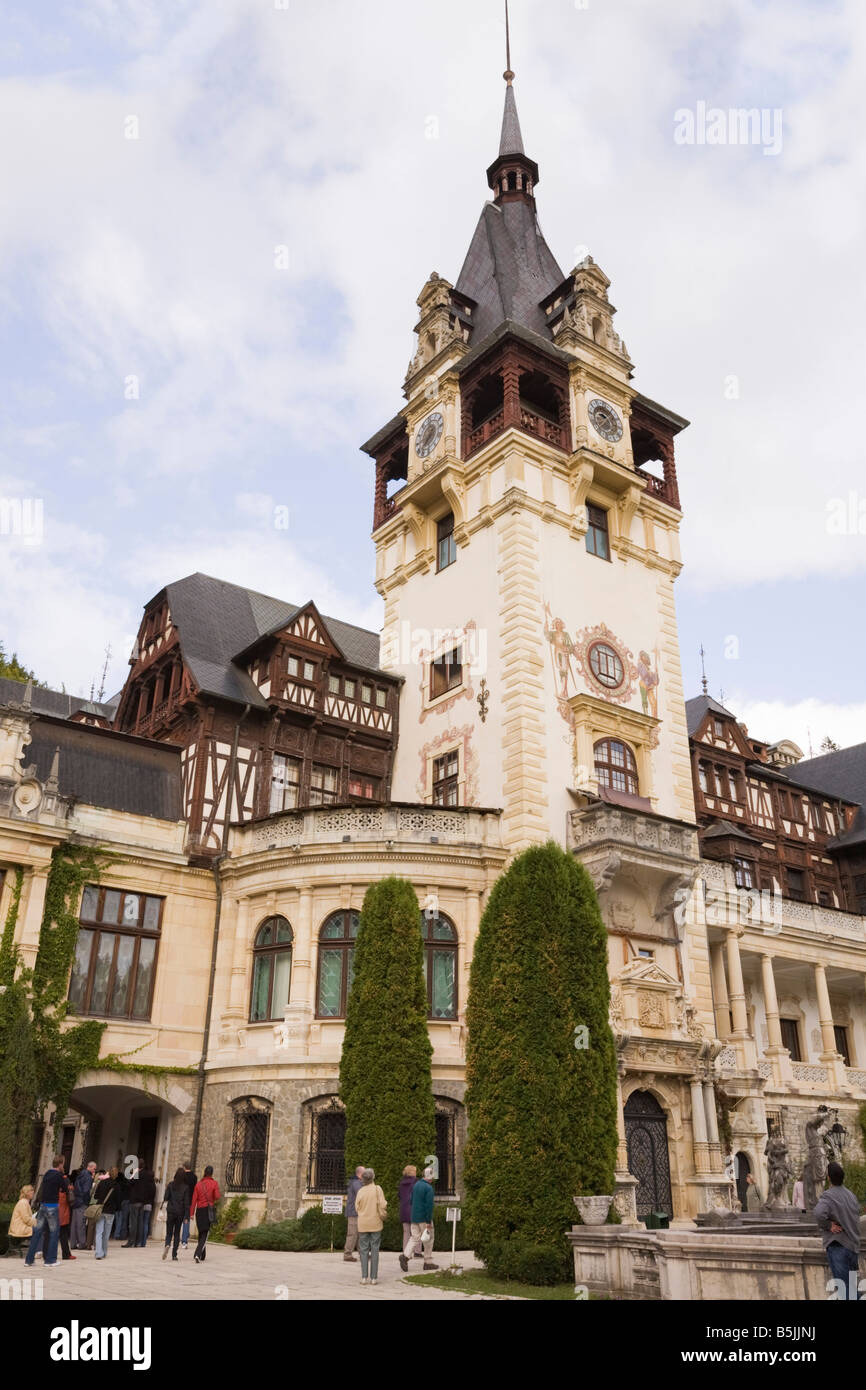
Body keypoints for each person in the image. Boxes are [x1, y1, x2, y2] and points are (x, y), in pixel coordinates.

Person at [814, 1160, 862, 1300]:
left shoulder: (828, 1195)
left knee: (845, 1291)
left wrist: (829, 1226)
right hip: (853, 1247)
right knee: (852, 1288)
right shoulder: (851, 1195)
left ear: (828, 1177)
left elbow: (818, 1213)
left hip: (838, 1247)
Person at [24, 1156, 68, 1268]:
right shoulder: (59, 1175)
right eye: (63, 1164)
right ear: (60, 1164)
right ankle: (50, 1260)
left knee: (37, 1233)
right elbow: (64, 1188)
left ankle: (29, 1260)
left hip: (43, 1206)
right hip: (52, 1206)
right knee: (54, 1233)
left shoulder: (47, 1173)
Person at [399, 1166, 438, 1272]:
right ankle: (428, 1262)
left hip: (414, 1217)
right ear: (431, 1177)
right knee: (429, 1239)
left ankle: (405, 1256)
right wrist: (428, 1221)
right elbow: (429, 1206)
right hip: (423, 1218)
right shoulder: (429, 1188)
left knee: (414, 1238)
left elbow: (411, 1200)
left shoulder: (416, 1185)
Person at [354, 1168, 387, 1286]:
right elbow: (383, 1204)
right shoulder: (378, 1189)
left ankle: (364, 1277)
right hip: (376, 1222)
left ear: (363, 1179)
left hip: (363, 1223)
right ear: (372, 1177)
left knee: (363, 1251)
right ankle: (374, 1278)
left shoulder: (360, 1191)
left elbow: (356, 1207)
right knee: (375, 1250)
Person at [189, 1165, 221, 1263]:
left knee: (201, 1232)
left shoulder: (198, 1184)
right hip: (208, 1210)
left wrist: (191, 1213)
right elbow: (217, 1196)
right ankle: (197, 1254)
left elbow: (194, 1200)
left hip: (199, 1211)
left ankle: (203, 1255)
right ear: (212, 1173)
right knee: (205, 1233)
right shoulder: (214, 1183)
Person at [162, 1168, 190, 1262]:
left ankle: (167, 1244)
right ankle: (174, 1255)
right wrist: (186, 1216)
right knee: (177, 1233)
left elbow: (166, 1198)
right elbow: (186, 1203)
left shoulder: (170, 1185)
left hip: (170, 1211)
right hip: (180, 1213)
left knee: (169, 1232)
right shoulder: (186, 1188)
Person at [124, 1165, 156, 1247]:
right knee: (140, 1222)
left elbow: (128, 1183)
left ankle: (131, 1241)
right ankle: (138, 1241)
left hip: (135, 1200)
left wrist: (133, 1174)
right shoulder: (147, 1176)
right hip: (142, 1202)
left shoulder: (137, 1174)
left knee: (133, 1222)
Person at [93, 1168, 120, 1259]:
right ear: (116, 1175)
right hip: (110, 1211)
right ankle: (104, 1252)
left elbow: (96, 1195)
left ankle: (98, 1253)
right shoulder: (116, 1185)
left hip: (101, 1209)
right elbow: (118, 1200)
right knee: (106, 1233)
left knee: (99, 1232)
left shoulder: (102, 1182)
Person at [70, 1160, 96, 1250]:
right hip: (82, 1202)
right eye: (94, 1169)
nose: (95, 1171)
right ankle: (82, 1243)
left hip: (76, 1201)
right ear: (91, 1167)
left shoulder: (81, 1174)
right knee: (81, 1223)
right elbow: (86, 1191)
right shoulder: (88, 1177)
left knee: (74, 1223)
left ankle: (73, 1243)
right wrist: (86, 1201)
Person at [398, 1165, 423, 1259]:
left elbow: (399, 1196)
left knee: (406, 1232)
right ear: (413, 1172)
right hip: (414, 1209)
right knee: (417, 1231)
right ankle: (417, 1252)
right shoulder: (416, 1182)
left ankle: (406, 1252)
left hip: (404, 1209)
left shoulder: (401, 1183)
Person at [6, 1186, 36, 1257]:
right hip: (19, 1229)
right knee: (39, 1230)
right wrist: (37, 1222)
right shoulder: (23, 1203)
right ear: (27, 1193)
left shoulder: (25, 1202)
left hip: (22, 1227)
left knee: (40, 1229)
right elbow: (26, 1219)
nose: (33, 1192)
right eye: (31, 1191)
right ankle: (37, 1251)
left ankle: (37, 1250)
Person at [343, 1165, 365, 1263]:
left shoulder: (357, 1182)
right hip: (353, 1212)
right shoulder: (356, 1183)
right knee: (352, 1234)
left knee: (360, 1234)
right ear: (360, 1174)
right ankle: (347, 1254)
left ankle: (362, 1254)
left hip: (357, 1212)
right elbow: (361, 1194)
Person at [181, 1162, 197, 1250]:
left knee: (180, 1220)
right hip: (190, 1201)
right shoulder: (194, 1177)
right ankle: (184, 1240)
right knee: (186, 1220)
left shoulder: (182, 1176)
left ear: (184, 1167)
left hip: (182, 1201)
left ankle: (182, 1239)